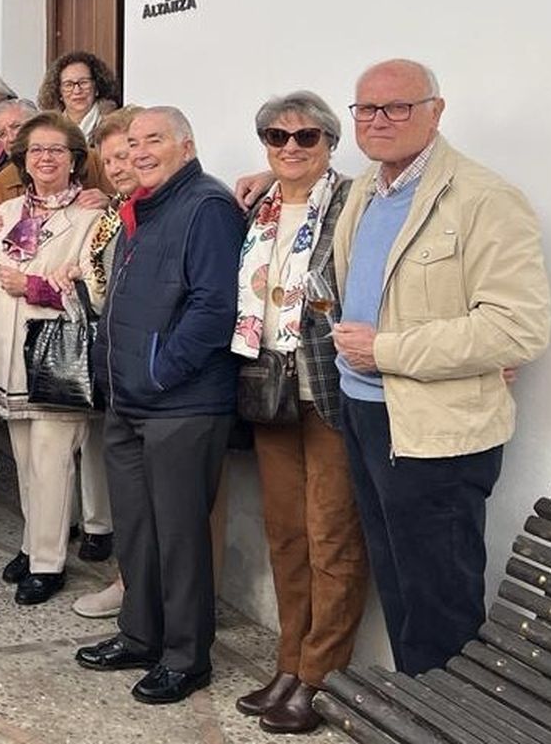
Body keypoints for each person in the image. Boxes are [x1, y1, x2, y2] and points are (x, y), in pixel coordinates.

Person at [330, 59, 550, 676]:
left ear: (436, 110)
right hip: (367, 416)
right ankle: (416, 714)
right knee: (399, 590)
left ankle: (445, 722)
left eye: (398, 107)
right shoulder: (367, 190)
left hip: (437, 435)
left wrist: (388, 350)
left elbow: (517, 327)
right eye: (366, 108)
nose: (379, 120)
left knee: (439, 604)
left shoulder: (484, 199)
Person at [73, 106, 244, 705]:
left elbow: (212, 308)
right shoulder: (142, 209)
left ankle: (186, 656)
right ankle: (140, 634)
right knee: (138, 531)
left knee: (178, 536)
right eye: (133, 142)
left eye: (155, 141)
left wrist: (157, 370)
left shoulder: (207, 207)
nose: (141, 151)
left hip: (181, 403)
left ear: (186, 145)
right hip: (129, 404)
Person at [226, 91, 368, 733]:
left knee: (331, 536)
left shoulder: (354, 202)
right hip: (269, 384)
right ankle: (289, 663)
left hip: (331, 390)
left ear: (329, 144)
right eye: (276, 137)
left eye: (306, 137)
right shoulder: (256, 204)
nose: (290, 147)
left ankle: (320, 675)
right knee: (285, 533)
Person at [0, 114, 103, 600]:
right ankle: (34, 546)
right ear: (23, 161)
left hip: (57, 363)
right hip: (6, 362)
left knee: (52, 463)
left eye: (57, 150)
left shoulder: (94, 218)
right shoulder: (8, 213)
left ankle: (49, 565)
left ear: (75, 160)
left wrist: (34, 287)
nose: (45, 158)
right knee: (28, 462)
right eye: (36, 151)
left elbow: (99, 288)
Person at [69, 106, 142, 620]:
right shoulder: (116, 212)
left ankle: (135, 588)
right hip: (116, 364)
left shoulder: (165, 208)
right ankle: (130, 582)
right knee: (131, 496)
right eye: (108, 158)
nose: (116, 165)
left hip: (151, 373)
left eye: (125, 155)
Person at [38, 51, 121, 142]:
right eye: (68, 85)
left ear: (97, 87)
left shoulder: (115, 124)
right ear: (59, 92)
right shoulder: (49, 127)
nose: (77, 91)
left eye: (84, 82)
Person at [0, 98, 39, 212]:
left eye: (16, 126)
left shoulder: (78, 160)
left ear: (40, 123)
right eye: (2, 134)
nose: (11, 138)